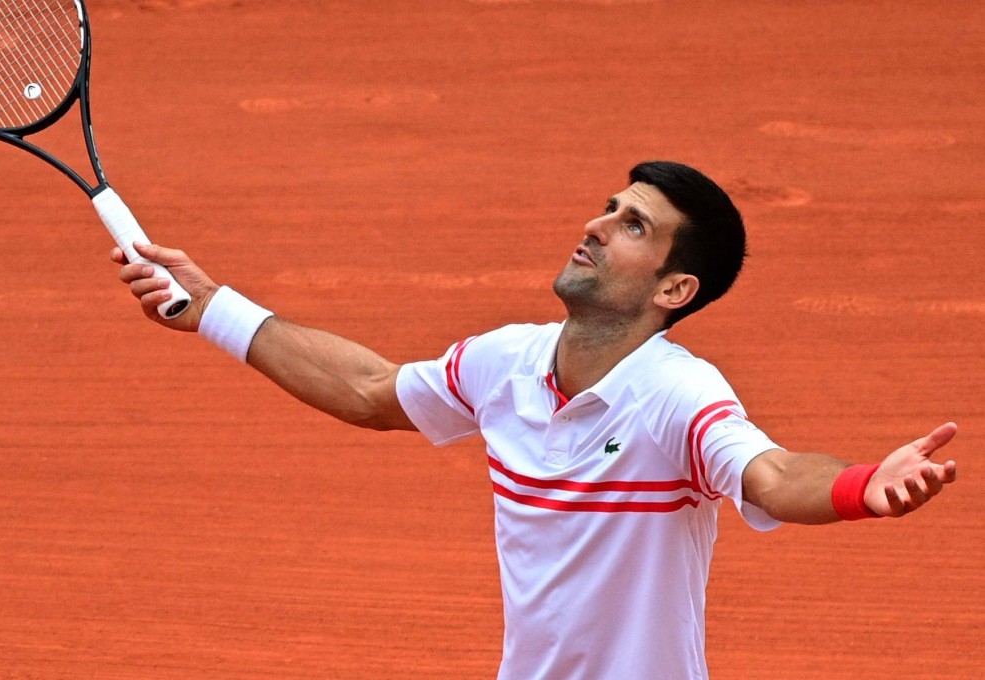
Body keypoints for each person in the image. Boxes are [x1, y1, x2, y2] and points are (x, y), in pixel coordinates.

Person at [112, 160, 958, 680]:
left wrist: (856, 486)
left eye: (633, 226)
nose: (594, 226)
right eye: (609, 207)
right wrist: (215, 308)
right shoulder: (505, 361)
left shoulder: (678, 395)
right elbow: (371, 390)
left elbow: (770, 474)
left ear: (673, 290)